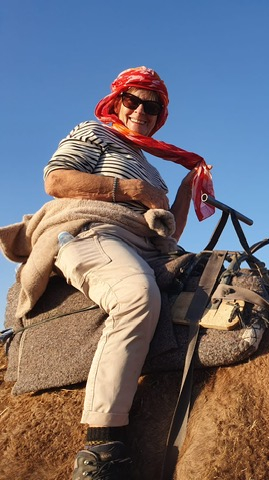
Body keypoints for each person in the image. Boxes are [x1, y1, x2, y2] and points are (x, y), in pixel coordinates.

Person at [41, 66, 214, 479]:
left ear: (160, 116)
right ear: (116, 102)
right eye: (132, 101)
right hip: (94, 229)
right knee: (135, 294)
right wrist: (130, 190)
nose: (140, 111)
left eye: (151, 107)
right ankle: (101, 446)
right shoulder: (93, 133)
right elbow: (56, 180)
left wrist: (185, 189)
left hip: (148, 244)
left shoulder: (150, 166)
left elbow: (170, 232)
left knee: (220, 281)